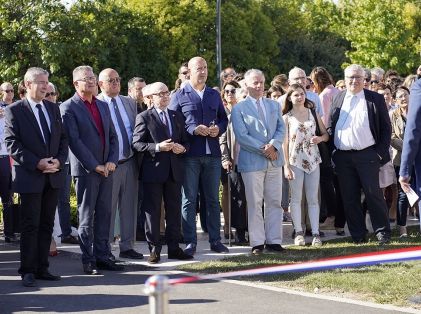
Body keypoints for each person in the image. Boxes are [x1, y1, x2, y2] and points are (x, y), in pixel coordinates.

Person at [4, 67, 68, 287]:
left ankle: (42, 268)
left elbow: (62, 139)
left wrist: (58, 161)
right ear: (28, 84)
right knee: (30, 225)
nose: (45, 86)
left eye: (46, 82)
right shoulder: (15, 110)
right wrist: (37, 163)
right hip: (31, 175)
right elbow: (12, 144)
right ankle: (27, 270)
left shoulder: (53, 108)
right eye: (40, 82)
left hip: (53, 175)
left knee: (46, 224)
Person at [61, 65, 122, 275]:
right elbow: (75, 142)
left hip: (107, 169)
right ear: (75, 83)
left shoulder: (102, 105)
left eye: (93, 77)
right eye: (86, 78)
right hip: (88, 170)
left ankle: (103, 256)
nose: (91, 81)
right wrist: (95, 165)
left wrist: (112, 161)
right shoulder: (68, 107)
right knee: (86, 217)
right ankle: (88, 259)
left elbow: (113, 137)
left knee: (105, 214)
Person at [169, 56, 229, 256]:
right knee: (189, 200)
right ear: (190, 72)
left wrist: (217, 129)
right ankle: (190, 241)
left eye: (205, 68)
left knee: (212, 199)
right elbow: (172, 123)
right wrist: (193, 129)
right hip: (190, 155)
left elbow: (223, 118)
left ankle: (215, 240)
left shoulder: (213, 94)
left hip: (212, 154)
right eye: (198, 69)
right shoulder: (179, 95)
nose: (202, 72)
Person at [328, 64, 392, 245]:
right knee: (349, 198)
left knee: (374, 195)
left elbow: (386, 129)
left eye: (357, 77)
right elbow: (332, 125)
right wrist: (334, 152)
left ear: (364, 79)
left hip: (368, 155)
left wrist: (379, 154)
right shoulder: (338, 98)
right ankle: (357, 235)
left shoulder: (374, 99)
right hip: (343, 157)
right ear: (345, 78)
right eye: (350, 77)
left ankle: (382, 232)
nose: (353, 81)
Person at [132, 82, 193, 263]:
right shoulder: (144, 117)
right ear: (150, 98)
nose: (166, 96)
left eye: (167, 93)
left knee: (174, 211)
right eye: (161, 94)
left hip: (174, 171)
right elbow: (136, 144)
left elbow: (186, 142)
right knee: (152, 211)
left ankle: (174, 248)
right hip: (153, 171)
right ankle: (154, 249)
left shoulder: (176, 116)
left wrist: (182, 149)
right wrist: (158, 147)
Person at [231, 69, 286, 255]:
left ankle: (274, 241)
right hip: (253, 161)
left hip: (274, 160)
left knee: (275, 202)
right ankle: (257, 242)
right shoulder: (239, 108)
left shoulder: (274, 105)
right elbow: (242, 136)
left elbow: (281, 128)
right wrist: (265, 149)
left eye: (262, 82)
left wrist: (274, 146)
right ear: (246, 85)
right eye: (255, 82)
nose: (259, 85)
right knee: (255, 203)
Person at [97, 68, 142, 260]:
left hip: (130, 161)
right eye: (110, 80)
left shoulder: (129, 103)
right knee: (108, 206)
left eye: (117, 79)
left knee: (129, 205)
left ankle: (127, 246)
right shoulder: (97, 104)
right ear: (100, 84)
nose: (115, 83)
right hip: (109, 164)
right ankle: (105, 247)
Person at [282, 84, 328, 246]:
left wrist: (319, 139)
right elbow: (284, 143)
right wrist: (286, 165)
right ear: (289, 97)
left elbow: (326, 134)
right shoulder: (287, 117)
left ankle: (315, 233)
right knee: (295, 198)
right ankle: (299, 232)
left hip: (313, 160)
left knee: (313, 198)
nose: (300, 97)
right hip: (295, 161)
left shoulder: (313, 113)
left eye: (302, 94)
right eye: (296, 95)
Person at [219, 80, 248, 244]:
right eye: (227, 91)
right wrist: (225, 157)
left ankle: (249, 229)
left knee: (250, 197)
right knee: (233, 194)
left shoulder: (246, 111)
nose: (230, 93)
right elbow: (222, 138)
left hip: (251, 161)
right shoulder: (225, 113)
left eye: (233, 90)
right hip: (232, 160)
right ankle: (233, 228)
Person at [391, 86, 411, 237]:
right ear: (396, 101)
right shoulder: (393, 115)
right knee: (403, 194)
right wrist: (408, 147)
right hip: (401, 159)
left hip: (418, 158)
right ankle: (402, 227)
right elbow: (391, 137)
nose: (403, 98)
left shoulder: (417, 112)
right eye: (400, 97)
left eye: (405, 95)